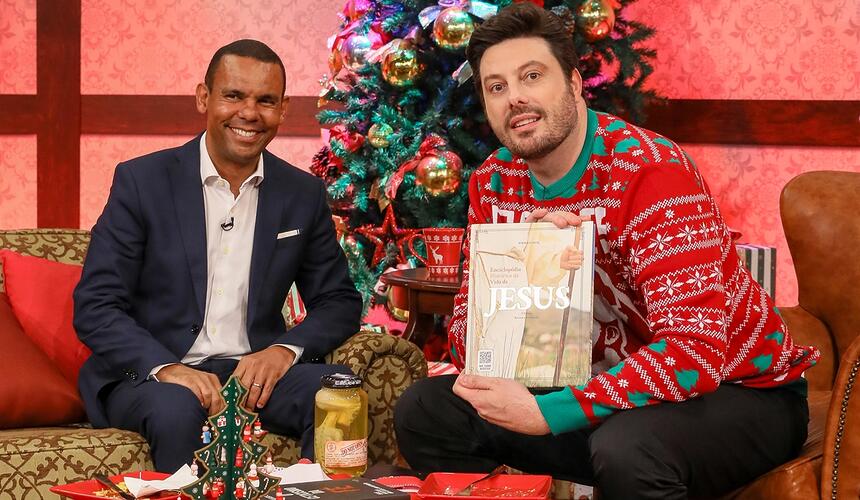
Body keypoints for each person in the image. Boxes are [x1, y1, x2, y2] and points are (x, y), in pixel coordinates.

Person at [394, 4, 820, 498]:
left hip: (739, 393)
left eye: (532, 76)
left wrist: (547, 413)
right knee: (426, 410)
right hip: (598, 392)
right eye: (497, 86)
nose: (515, 98)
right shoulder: (494, 182)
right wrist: (525, 273)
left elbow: (694, 353)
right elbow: (473, 345)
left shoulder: (650, 171)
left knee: (627, 448)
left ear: (574, 83)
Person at [73, 39, 362, 472]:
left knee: (334, 394)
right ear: (203, 98)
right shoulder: (141, 181)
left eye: (265, 101)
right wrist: (167, 368)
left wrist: (284, 350)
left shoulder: (301, 194)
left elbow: (339, 301)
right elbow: (95, 305)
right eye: (233, 95)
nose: (249, 113)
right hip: (154, 377)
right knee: (177, 409)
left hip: (252, 375)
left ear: (283, 110)